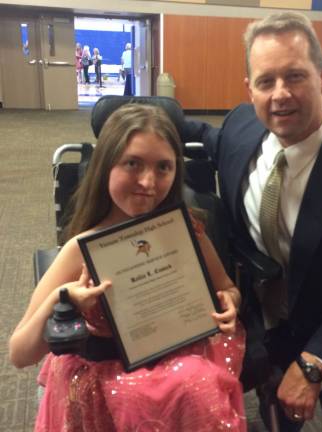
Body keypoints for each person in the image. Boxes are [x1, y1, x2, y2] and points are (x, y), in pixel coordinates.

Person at [182, 11, 322, 432]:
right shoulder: (239, 131)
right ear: (249, 88)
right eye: (266, 81)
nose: (280, 94)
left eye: (295, 76)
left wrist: (312, 363)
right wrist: (134, 116)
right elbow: (199, 132)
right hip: (259, 308)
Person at [9, 104, 246, 432]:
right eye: (133, 163)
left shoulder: (186, 232)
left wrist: (230, 301)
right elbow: (19, 353)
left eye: (164, 167)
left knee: (193, 383)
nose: (148, 182)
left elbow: (228, 288)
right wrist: (63, 300)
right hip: (102, 375)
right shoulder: (82, 249)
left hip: (175, 361)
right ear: (106, 166)